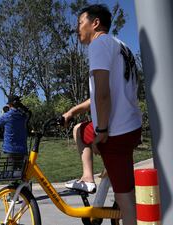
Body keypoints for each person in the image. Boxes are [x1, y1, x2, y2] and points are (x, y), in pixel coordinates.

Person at [63, 4, 142, 225]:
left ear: (95, 23)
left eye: (80, 23)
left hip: (115, 131)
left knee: (125, 198)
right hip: (131, 127)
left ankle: (87, 178)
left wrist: (102, 130)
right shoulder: (121, 46)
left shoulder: (98, 44)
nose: (77, 28)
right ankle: (97, 189)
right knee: (80, 128)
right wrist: (72, 111)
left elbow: (103, 94)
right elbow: (100, 94)